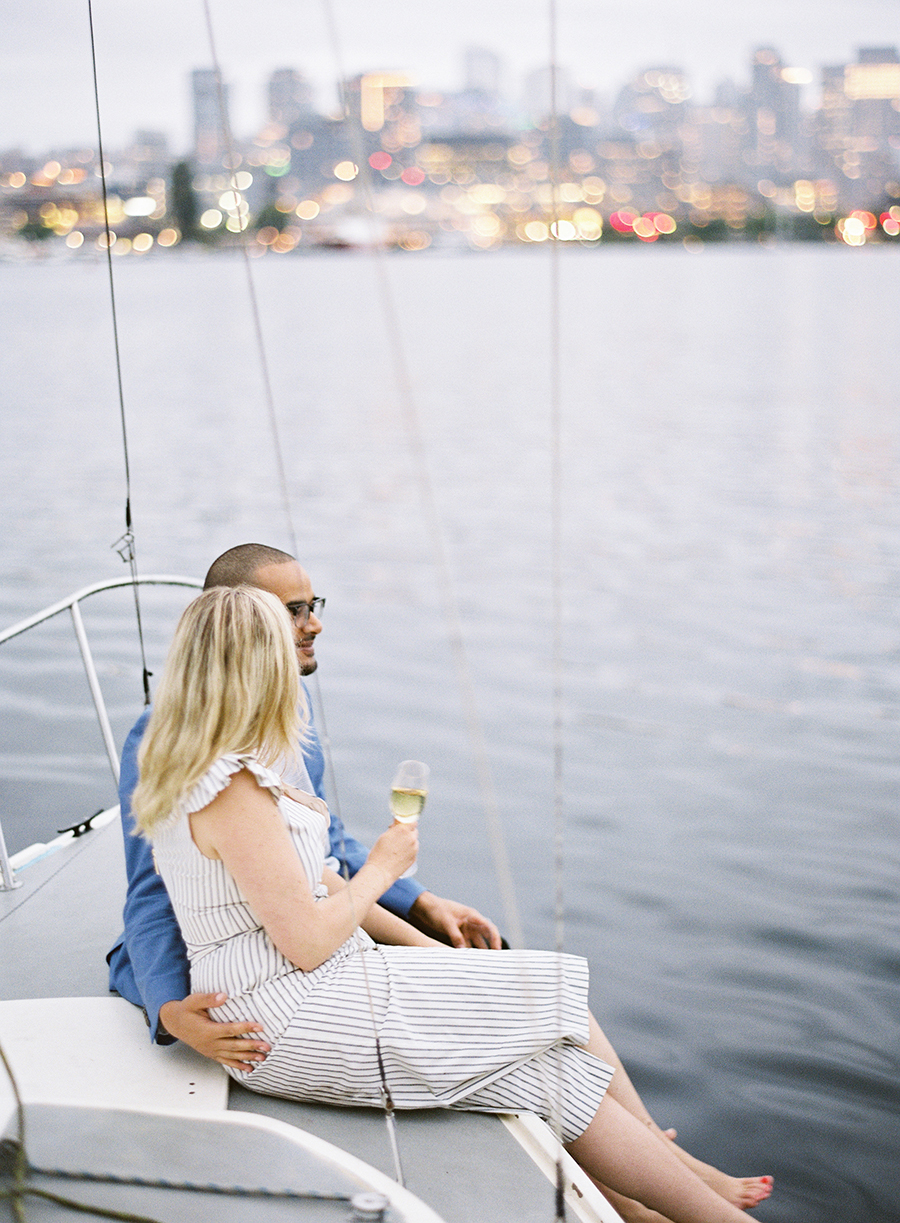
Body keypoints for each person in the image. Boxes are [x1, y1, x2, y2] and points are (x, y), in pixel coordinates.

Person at [131, 586, 774, 1223]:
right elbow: (304, 940)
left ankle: (662, 1211)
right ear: (258, 665)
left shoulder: (224, 766)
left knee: (544, 1061)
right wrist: (382, 868)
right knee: (543, 1004)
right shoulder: (232, 789)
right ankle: (697, 1200)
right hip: (286, 1012)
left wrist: (436, 952)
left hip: (308, 987)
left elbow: (314, 884)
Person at [107, 543, 500, 1070]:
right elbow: (152, 889)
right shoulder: (167, 736)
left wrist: (419, 901)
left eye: (314, 605)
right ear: (242, 620)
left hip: (332, 910)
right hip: (255, 953)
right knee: (502, 1005)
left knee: (490, 952)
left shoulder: (290, 700)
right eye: (294, 610)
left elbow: (321, 835)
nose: (313, 625)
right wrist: (171, 1010)